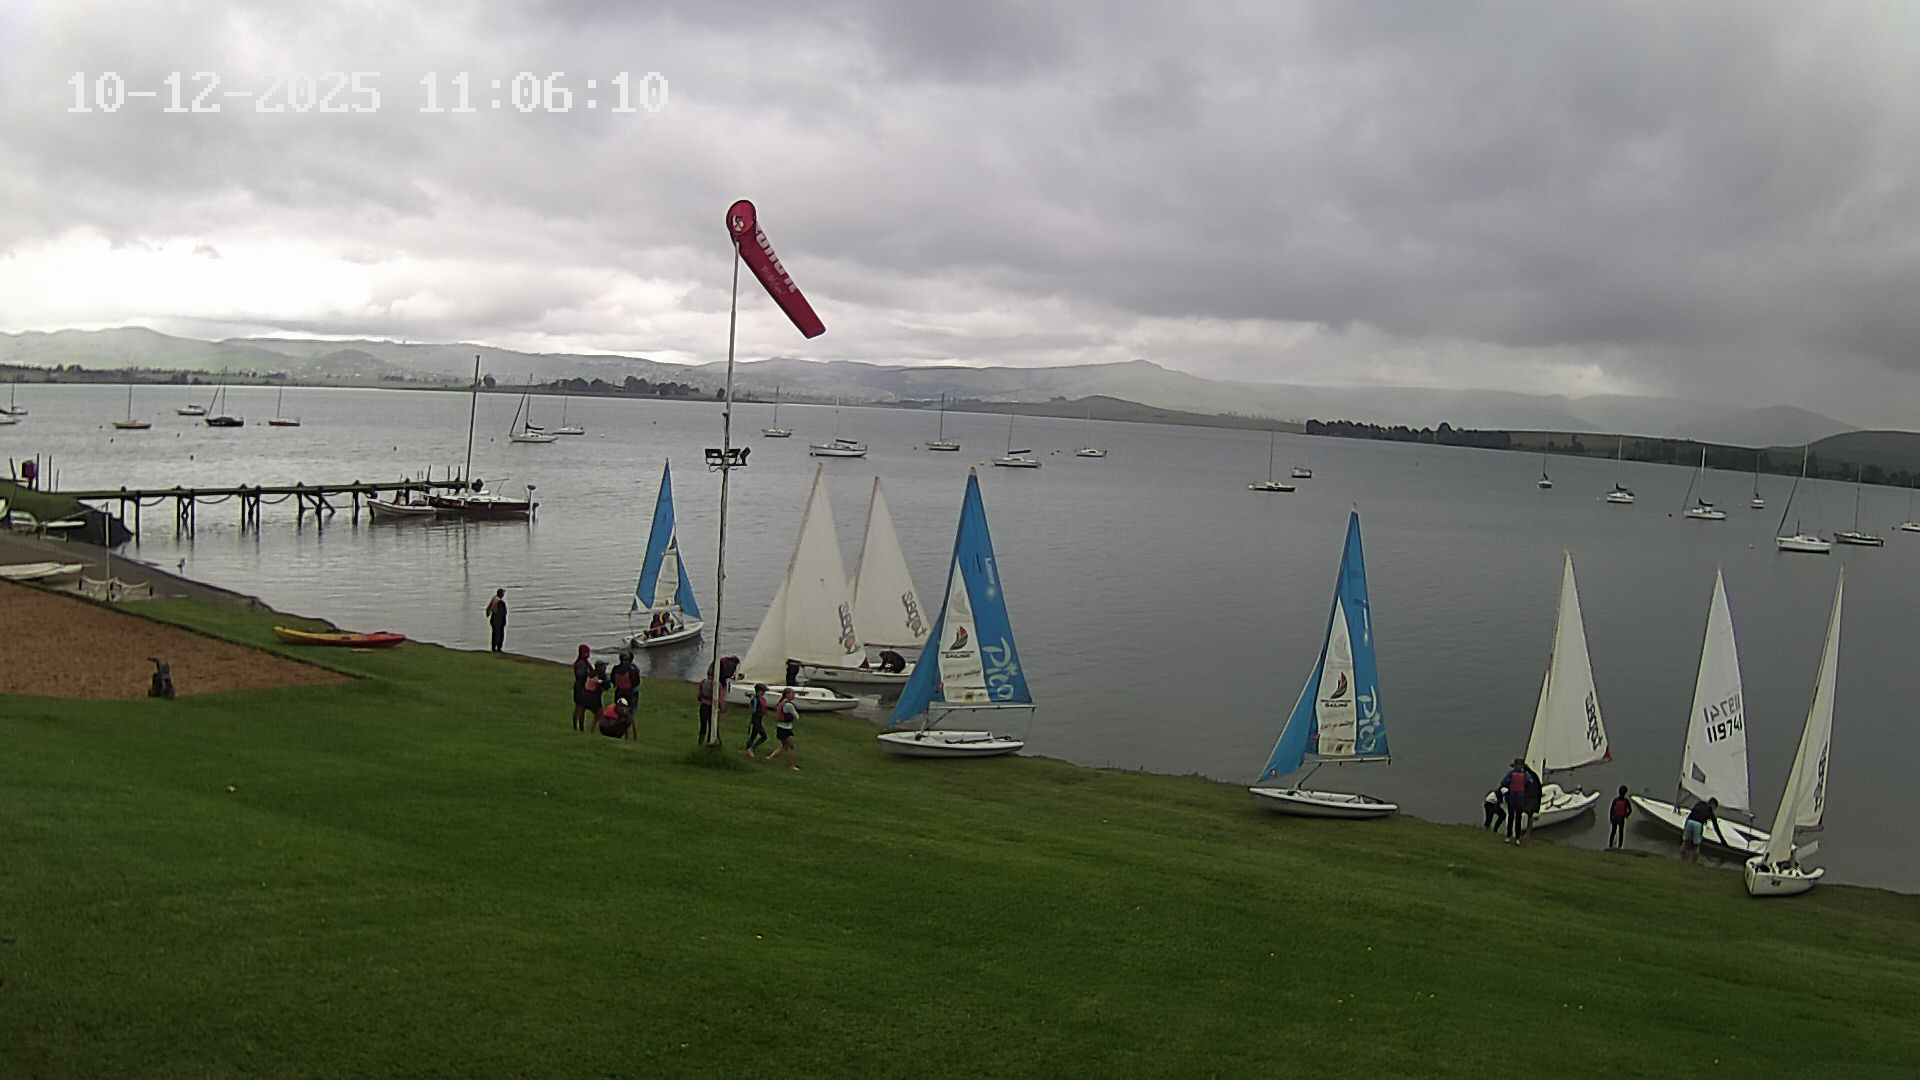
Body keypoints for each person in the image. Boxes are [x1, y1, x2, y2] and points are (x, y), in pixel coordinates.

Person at [1681, 796, 1728, 863]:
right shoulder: (1710, 811)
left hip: (1690, 822)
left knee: (1685, 842)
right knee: (1697, 846)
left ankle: (1682, 859)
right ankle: (1693, 862)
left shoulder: (1700, 803)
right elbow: (1716, 827)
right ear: (1714, 805)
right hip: (1698, 824)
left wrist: (1685, 826)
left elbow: (1691, 813)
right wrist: (1722, 840)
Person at [764, 687, 800, 769]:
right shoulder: (789, 705)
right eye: (792, 694)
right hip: (786, 729)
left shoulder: (781, 703)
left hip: (780, 727)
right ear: (787, 695)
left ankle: (770, 757)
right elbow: (797, 716)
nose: (794, 695)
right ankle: (791, 765)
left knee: (785, 747)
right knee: (792, 747)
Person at [1499, 758, 1530, 844]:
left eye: (1519, 765)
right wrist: (1511, 781)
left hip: (1520, 798)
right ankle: (1509, 836)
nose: (1518, 767)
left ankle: (1517, 837)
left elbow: (1529, 782)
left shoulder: (1525, 774)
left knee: (1518, 818)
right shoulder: (1511, 773)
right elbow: (1504, 782)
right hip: (1512, 797)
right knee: (1511, 817)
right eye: (1517, 765)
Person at [570, 645, 596, 732]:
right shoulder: (582, 663)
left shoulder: (584, 662)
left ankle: (577, 726)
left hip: (580, 685)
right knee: (581, 707)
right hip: (581, 686)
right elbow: (580, 675)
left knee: (579, 707)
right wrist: (588, 674)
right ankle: (580, 727)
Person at [745, 683, 771, 758]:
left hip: (759, 719)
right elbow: (753, 710)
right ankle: (750, 749)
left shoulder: (760, 699)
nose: (764, 693)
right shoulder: (755, 699)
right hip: (756, 719)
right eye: (763, 691)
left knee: (754, 735)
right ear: (759, 691)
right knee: (763, 736)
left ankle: (748, 748)